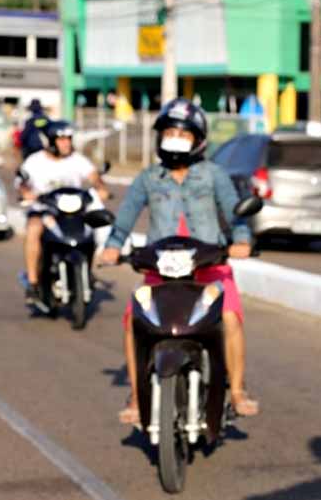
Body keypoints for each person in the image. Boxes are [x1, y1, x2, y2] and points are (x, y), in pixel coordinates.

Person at [100, 97, 260, 422]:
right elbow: (127, 214)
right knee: (135, 322)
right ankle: (136, 396)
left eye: (183, 134)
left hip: (210, 265)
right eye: (169, 131)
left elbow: (234, 210)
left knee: (229, 318)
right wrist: (113, 245)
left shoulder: (214, 174)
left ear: (198, 140)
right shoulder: (148, 178)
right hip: (162, 267)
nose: (175, 138)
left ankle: (239, 389)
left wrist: (242, 240)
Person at [18, 120, 109, 306]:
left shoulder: (77, 160)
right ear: (51, 141)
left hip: (73, 212)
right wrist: (26, 192)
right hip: (44, 210)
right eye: (61, 139)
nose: (67, 143)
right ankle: (33, 283)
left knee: (94, 227)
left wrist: (100, 187)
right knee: (33, 229)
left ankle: (88, 270)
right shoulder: (35, 161)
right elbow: (22, 182)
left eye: (68, 138)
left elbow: (93, 176)